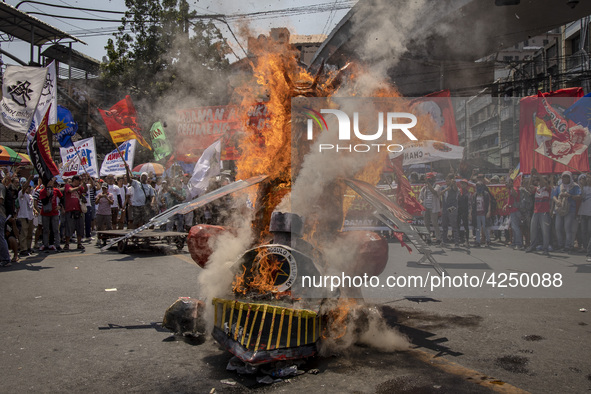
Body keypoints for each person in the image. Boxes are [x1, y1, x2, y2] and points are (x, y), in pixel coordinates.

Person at [551, 171, 581, 253]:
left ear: (570, 178)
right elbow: (553, 195)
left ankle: (568, 245)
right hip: (560, 209)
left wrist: (570, 196)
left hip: (570, 209)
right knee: (558, 227)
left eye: (567, 177)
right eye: (564, 177)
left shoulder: (575, 186)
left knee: (567, 228)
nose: (565, 179)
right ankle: (560, 244)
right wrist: (557, 201)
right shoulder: (559, 186)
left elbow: (579, 196)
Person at [526, 174, 552, 255]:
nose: (539, 182)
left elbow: (546, 184)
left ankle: (545, 248)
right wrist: (531, 176)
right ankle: (532, 246)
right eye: (538, 180)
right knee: (533, 229)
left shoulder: (548, 189)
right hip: (536, 212)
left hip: (544, 212)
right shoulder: (537, 189)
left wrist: (538, 175)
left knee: (545, 231)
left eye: (541, 180)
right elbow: (528, 187)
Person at [38, 178, 63, 252]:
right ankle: (45, 245)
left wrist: (60, 206)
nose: (50, 183)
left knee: (55, 229)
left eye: (51, 182)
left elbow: (62, 198)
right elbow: (44, 202)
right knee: (45, 229)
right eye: (49, 182)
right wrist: (48, 196)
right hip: (45, 212)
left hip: (54, 212)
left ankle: (57, 245)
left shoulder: (56, 190)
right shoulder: (42, 191)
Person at [64, 175, 87, 250]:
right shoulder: (68, 186)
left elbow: (84, 190)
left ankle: (79, 243)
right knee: (69, 227)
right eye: (79, 180)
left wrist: (85, 184)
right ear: (75, 180)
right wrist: (79, 187)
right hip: (70, 210)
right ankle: (67, 244)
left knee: (80, 227)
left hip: (78, 210)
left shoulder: (80, 188)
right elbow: (70, 190)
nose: (79, 182)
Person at [441, 174, 460, 246]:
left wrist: (454, 183)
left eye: (448, 180)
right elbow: (440, 193)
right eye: (446, 181)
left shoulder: (454, 187)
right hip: (445, 208)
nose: (446, 182)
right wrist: (446, 189)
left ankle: (457, 242)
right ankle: (444, 241)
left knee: (453, 225)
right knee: (444, 225)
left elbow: (455, 188)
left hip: (452, 207)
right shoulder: (444, 187)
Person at [17, 183, 36, 256]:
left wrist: (34, 210)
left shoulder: (30, 196)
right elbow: (23, 190)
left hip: (30, 216)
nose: (28, 188)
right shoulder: (21, 194)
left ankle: (28, 247)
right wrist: (28, 180)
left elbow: (31, 205)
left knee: (29, 233)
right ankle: (23, 249)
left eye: (29, 187)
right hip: (23, 216)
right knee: (24, 233)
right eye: (27, 187)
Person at [472, 180, 491, 247]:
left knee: (485, 227)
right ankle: (478, 241)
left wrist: (488, 211)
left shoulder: (485, 194)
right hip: (477, 213)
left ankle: (488, 240)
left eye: (479, 186)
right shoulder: (475, 195)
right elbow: (473, 205)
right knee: (478, 228)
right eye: (477, 186)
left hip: (484, 213)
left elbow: (488, 203)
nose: (478, 188)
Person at [505, 177, 522, 250]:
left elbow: (515, 195)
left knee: (516, 227)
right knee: (513, 228)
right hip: (511, 210)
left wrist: (511, 187)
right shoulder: (510, 190)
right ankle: (514, 242)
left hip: (515, 210)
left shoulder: (515, 189)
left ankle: (519, 243)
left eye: (509, 182)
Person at [0, 176, 12, 266]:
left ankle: (6, 259)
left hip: (0, 215)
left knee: (0, 237)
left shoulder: (0, 186)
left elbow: (1, 200)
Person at [457, 179, 471, 247]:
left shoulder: (468, 193)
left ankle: (467, 240)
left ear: (466, 185)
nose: (462, 185)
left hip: (465, 211)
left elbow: (470, 204)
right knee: (458, 225)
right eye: (462, 183)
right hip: (459, 211)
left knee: (466, 226)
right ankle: (459, 239)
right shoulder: (458, 192)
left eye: (464, 184)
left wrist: (469, 212)